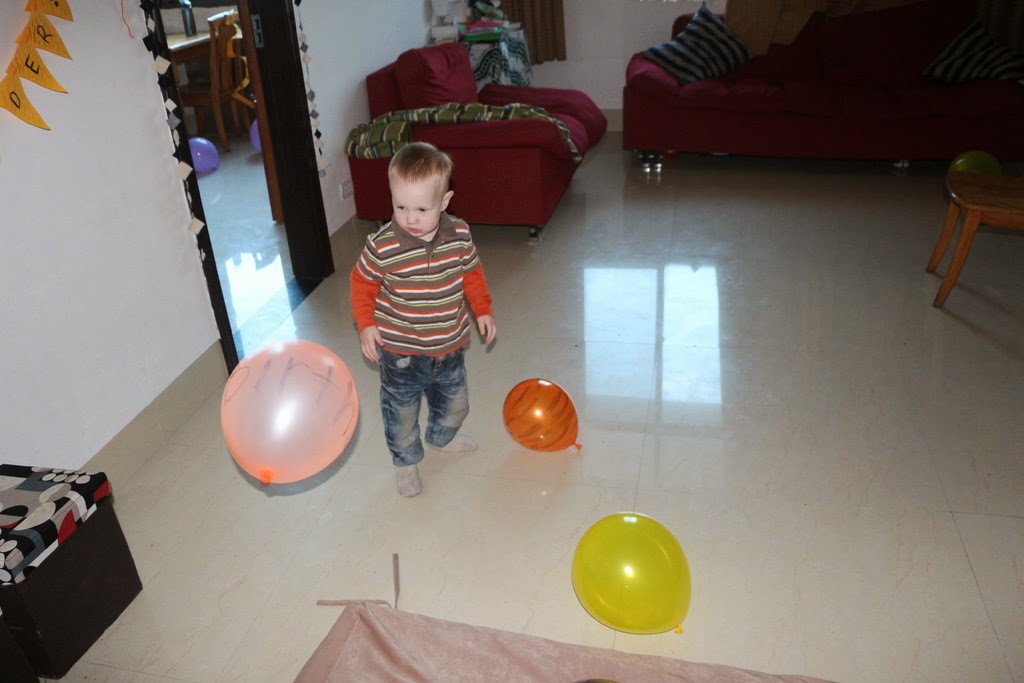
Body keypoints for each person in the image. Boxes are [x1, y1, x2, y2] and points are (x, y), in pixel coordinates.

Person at [350, 142, 497, 497]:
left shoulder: (459, 235)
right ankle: (405, 462)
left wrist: (482, 309)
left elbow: (472, 274)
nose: (410, 219)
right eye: (400, 206)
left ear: (445, 201)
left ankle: (440, 438)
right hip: (400, 353)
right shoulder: (381, 245)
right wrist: (366, 323)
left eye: (421, 209)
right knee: (400, 415)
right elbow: (361, 283)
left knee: (456, 404)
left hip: (449, 348)